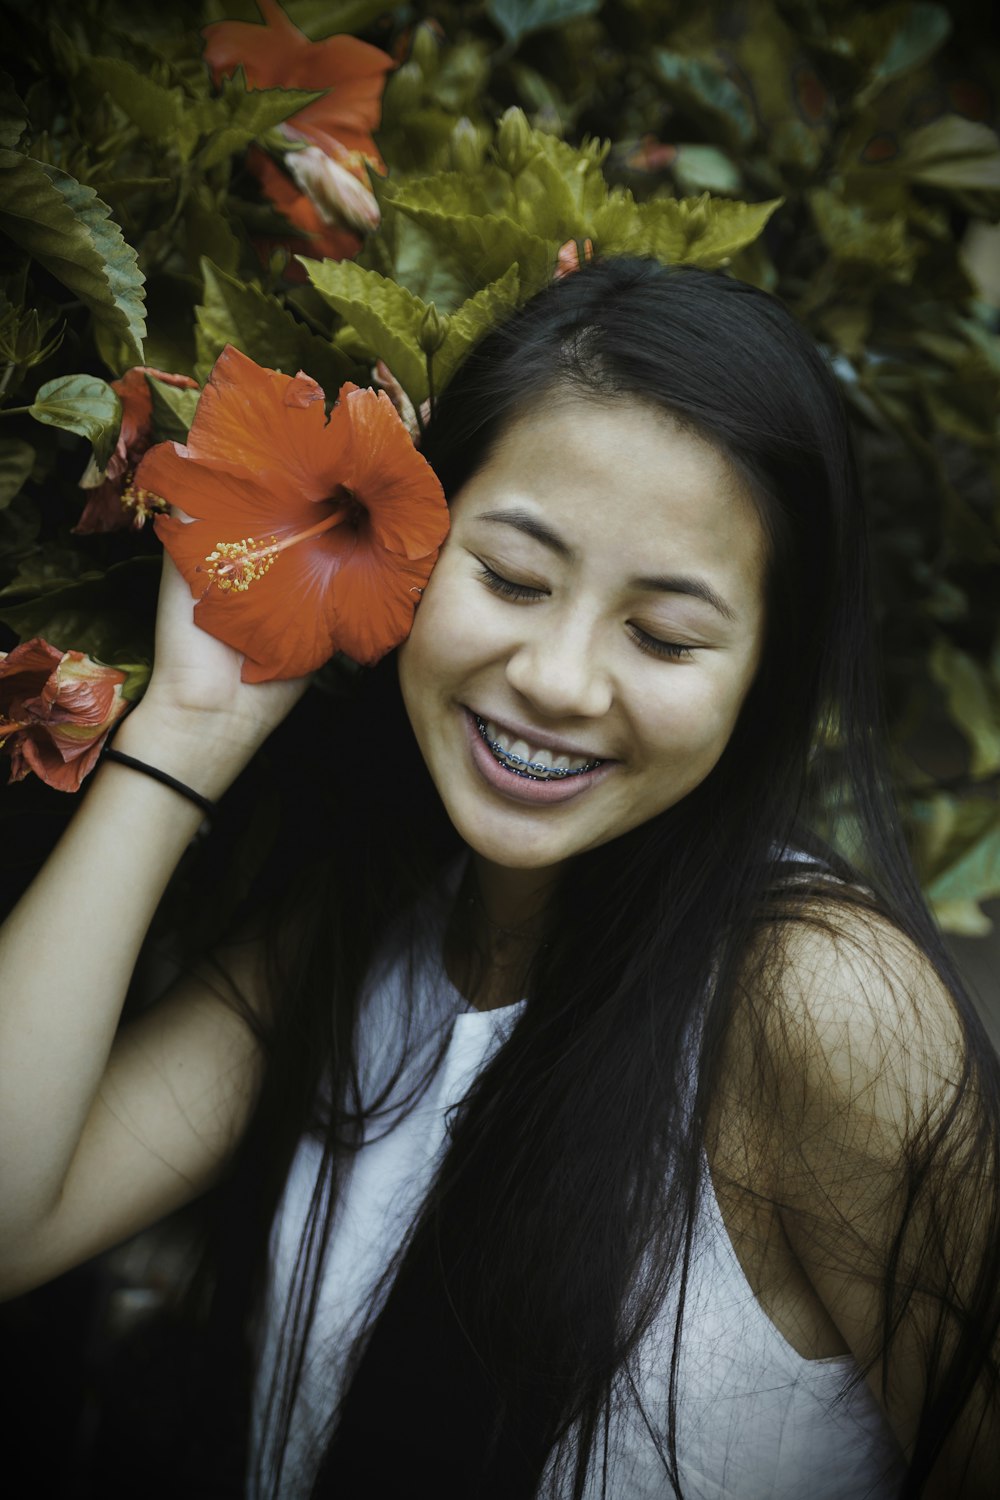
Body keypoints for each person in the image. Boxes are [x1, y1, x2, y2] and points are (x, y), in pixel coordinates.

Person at [0, 258, 997, 1499]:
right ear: (413, 556)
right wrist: (183, 739)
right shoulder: (375, 928)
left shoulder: (816, 1005)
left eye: (666, 635)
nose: (561, 680)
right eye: (513, 579)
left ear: (764, 678)